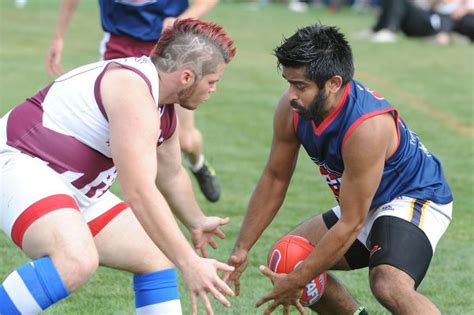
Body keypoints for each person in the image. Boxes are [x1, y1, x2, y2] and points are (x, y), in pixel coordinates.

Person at [1, 19, 236, 314]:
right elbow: (138, 192)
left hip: (75, 188)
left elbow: (172, 174)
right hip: (19, 165)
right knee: (75, 260)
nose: (213, 90)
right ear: (187, 77)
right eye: (212, 82)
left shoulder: (162, 105)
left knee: (156, 256)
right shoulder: (133, 91)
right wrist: (190, 263)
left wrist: (196, 221)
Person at [224, 24, 452, 314]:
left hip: (415, 196)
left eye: (301, 86)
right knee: (288, 257)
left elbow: (351, 223)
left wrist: (299, 279)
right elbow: (275, 178)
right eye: (289, 83)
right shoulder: (293, 109)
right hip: (365, 201)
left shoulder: (366, 127)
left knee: (388, 284)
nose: (291, 95)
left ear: (333, 83)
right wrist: (241, 248)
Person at [46, 0, 222, 203]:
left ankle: (198, 164)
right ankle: (97, 196)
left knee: (185, 140)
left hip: (169, 50)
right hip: (119, 45)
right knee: (119, 133)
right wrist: (58, 37)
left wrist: (182, 19)